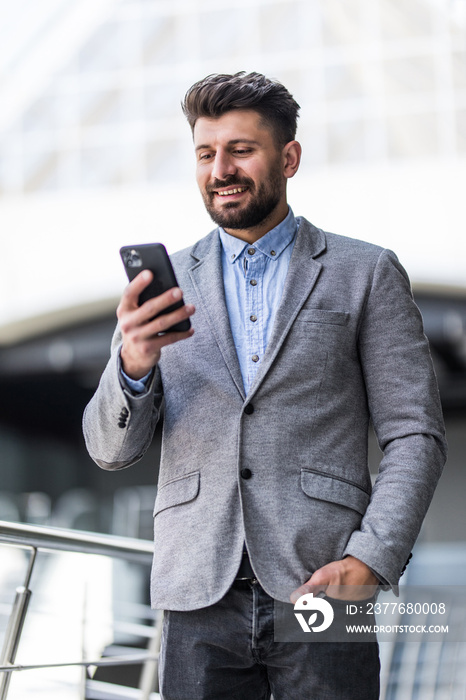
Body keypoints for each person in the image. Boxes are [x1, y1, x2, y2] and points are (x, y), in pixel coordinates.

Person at [83, 72, 447, 699]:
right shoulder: (167, 287)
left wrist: (371, 560)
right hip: (196, 583)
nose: (220, 168)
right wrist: (134, 365)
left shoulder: (366, 272)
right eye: (205, 153)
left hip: (326, 576)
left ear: (289, 157)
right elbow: (108, 450)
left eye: (241, 150)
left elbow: (416, 434)